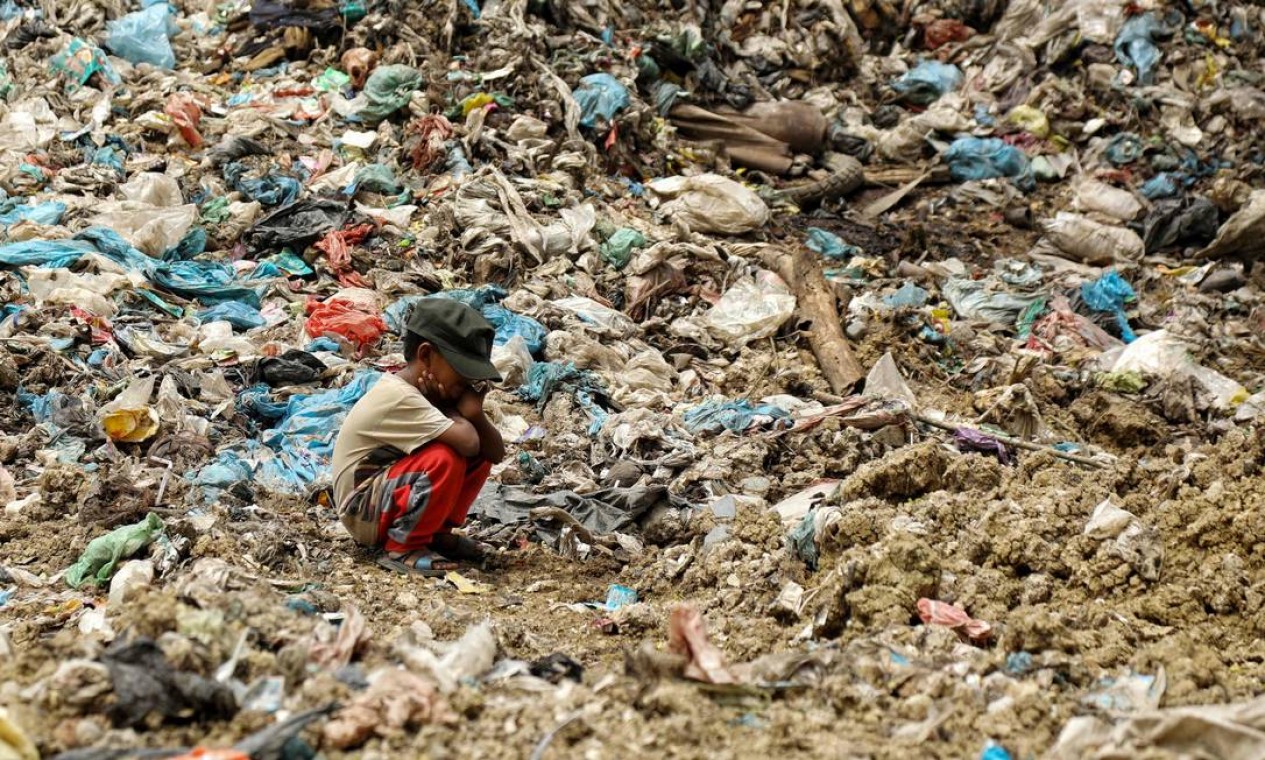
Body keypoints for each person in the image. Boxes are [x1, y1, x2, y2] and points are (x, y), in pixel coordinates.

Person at [331, 298, 506, 576]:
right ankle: (404, 547)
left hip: (380, 497)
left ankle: (435, 533)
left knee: (475, 453)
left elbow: (493, 453)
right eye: (463, 373)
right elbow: (468, 442)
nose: (468, 386)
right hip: (361, 509)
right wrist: (462, 414)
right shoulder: (399, 396)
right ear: (426, 355)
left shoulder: (425, 396)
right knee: (444, 457)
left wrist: (475, 416)